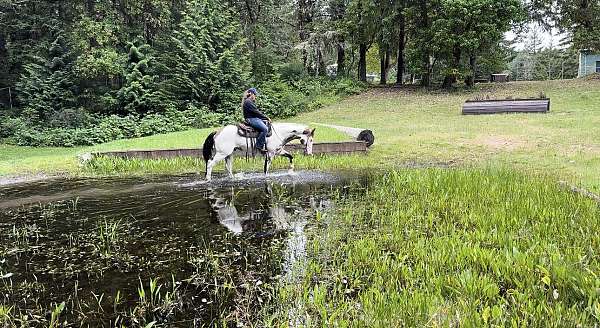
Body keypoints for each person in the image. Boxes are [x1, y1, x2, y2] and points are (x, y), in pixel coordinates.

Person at [242, 88, 271, 152]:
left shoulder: (249, 101)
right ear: (251, 94)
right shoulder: (248, 102)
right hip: (251, 119)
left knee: (265, 124)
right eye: (255, 95)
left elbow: (256, 112)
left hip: (253, 118)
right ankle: (259, 146)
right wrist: (266, 118)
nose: (255, 96)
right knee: (265, 129)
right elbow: (256, 112)